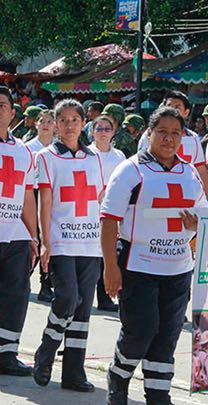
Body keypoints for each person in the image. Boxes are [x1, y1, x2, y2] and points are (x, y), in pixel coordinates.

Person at [101, 106, 208, 404]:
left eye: (176, 133)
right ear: (149, 133)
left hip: (178, 269)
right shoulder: (131, 170)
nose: (168, 139)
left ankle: (158, 394)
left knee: (167, 336)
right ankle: (118, 376)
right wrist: (110, 267)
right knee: (141, 330)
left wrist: (196, 223)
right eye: (162, 131)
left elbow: (206, 216)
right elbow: (109, 219)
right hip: (138, 266)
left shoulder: (188, 172)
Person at [33, 99, 104, 392]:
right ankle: (47, 347)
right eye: (63, 120)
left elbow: (100, 198)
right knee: (67, 299)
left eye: (75, 119)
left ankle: (74, 373)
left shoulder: (94, 157)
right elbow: (45, 201)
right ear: (56, 124)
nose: (70, 124)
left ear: (83, 123)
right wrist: (44, 241)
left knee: (84, 309)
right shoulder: (47, 157)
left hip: (90, 243)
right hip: (61, 240)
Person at [0, 86, 37, 377]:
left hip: (15, 233)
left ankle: (7, 353)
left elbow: (26, 195)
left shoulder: (23, 151)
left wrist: (34, 235)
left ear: (13, 113)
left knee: (15, 295)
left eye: (3, 104)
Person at [139, 91, 208, 199]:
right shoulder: (150, 135)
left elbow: (200, 169)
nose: (172, 110)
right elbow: (141, 165)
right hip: (155, 192)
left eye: (177, 107)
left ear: (186, 112)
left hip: (186, 191)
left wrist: (207, 197)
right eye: (169, 106)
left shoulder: (193, 137)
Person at [88, 115, 125, 312]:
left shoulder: (119, 156)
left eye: (107, 128)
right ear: (92, 131)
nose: (103, 132)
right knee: (89, 255)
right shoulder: (86, 154)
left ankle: (105, 298)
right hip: (87, 209)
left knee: (107, 253)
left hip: (110, 211)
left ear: (113, 132)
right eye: (99, 128)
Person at [25, 109, 56, 303]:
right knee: (31, 239)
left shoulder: (58, 149)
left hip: (52, 198)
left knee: (48, 239)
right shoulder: (28, 148)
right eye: (42, 121)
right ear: (36, 124)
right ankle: (21, 279)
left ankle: (46, 285)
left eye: (50, 121)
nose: (45, 124)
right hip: (31, 195)